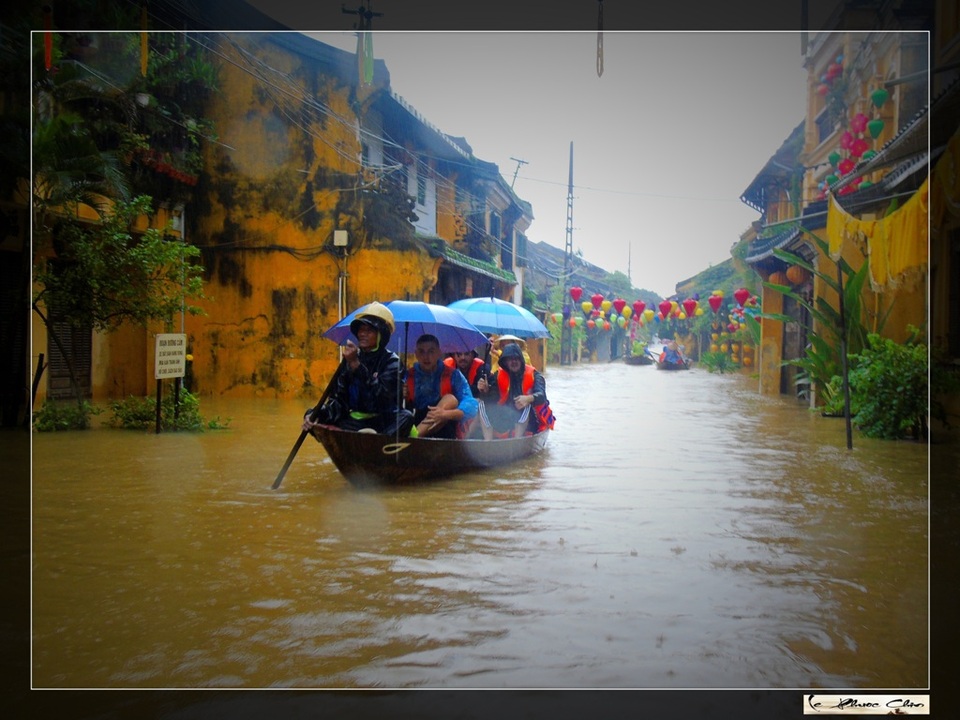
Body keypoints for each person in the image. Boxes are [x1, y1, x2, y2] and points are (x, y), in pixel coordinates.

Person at [302, 302, 413, 437]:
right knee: (314, 417)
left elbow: (382, 400)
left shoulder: (392, 362)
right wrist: (317, 413)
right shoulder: (350, 360)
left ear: (381, 334)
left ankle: (376, 441)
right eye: (361, 330)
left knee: (406, 417)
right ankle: (363, 438)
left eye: (369, 330)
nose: (362, 334)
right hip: (355, 423)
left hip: (382, 422)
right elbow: (339, 401)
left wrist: (357, 367)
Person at [404, 334, 478, 439]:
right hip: (415, 421)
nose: (426, 357)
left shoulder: (453, 375)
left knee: (450, 399)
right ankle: (415, 435)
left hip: (445, 428)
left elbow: (471, 404)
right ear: (416, 354)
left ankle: (414, 436)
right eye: (421, 352)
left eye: (431, 351)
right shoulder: (407, 376)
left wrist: (446, 414)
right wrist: (400, 395)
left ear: (439, 353)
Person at [476, 343, 555, 439]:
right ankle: (488, 442)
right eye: (510, 359)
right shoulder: (498, 375)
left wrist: (529, 398)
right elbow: (492, 399)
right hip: (505, 416)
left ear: (521, 360)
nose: (514, 362)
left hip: (530, 420)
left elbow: (542, 395)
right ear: (505, 362)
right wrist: (485, 391)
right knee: (482, 404)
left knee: (525, 404)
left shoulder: (535, 375)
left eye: (516, 358)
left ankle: (517, 441)